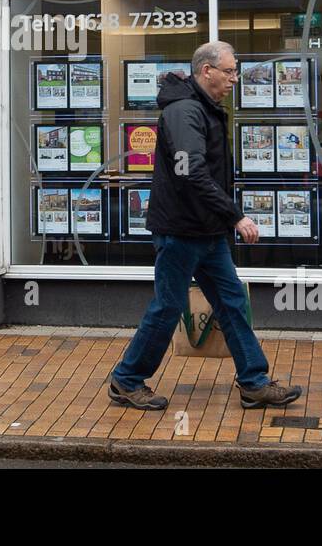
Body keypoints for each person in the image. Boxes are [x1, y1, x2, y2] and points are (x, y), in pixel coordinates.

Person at [107, 40, 303, 411]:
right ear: (206, 71)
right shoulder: (184, 112)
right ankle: (126, 379)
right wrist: (235, 215)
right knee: (168, 307)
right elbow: (190, 172)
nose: (235, 78)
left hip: (206, 231)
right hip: (181, 231)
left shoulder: (204, 109)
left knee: (231, 303)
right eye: (229, 71)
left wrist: (221, 219)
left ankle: (254, 382)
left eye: (236, 70)